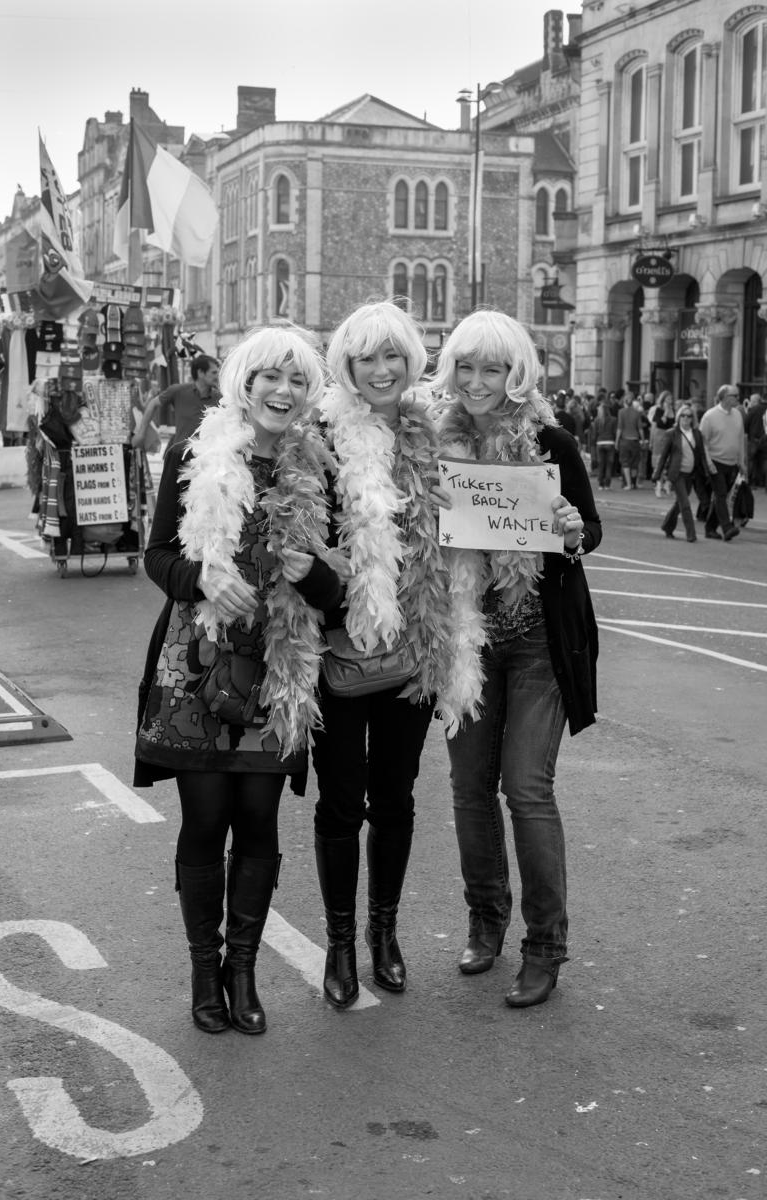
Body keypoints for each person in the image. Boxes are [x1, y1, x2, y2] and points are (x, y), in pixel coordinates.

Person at [134, 326, 344, 1036]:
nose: (282, 392)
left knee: (257, 820)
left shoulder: (320, 468)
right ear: (244, 384)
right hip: (198, 665)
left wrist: (309, 574)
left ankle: (243, 973)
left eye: (297, 381)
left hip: (280, 672)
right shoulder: (194, 451)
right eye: (269, 378)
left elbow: (343, 589)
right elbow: (157, 555)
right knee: (204, 819)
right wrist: (201, 580)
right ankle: (204, 973)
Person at [432, 309, 601, 1008]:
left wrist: (568, 531)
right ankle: (485, 919)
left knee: (525, 788)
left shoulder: (550, 441)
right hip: (466, 635)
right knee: (470, 788)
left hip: (536, 638)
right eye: (466, 367)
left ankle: (546, 944)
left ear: (516, 372)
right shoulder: (434, 443)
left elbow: (588, 530)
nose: (477, 381)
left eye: (492, 368)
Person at [311, 301, 451, 1009]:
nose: (384, 370)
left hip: (414, 646)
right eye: (369, 358)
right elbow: (294, 532)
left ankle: (383, 933)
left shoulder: (432, 433)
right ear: (347, 365)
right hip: (340, 649)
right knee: (341, 803)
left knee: (394, 798)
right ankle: (338, 943)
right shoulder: (322, 435)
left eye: (394, 356)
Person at [132, 354, 220, 451]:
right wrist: (141, 433)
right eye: (214, 373)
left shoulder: (220, 397)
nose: (217, 376)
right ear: (200, 373)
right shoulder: (178, 391)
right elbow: (153, 404)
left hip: (209, 457)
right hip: (180, 456)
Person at [653, 403, 709, 542]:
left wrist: (707, 471)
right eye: (683, 415)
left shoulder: (697, 434)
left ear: (692, 418)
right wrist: (657, 474)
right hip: (677, 474)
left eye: (689, 416)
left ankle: (667, 526)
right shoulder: (672, 433)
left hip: (691, 474)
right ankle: (691, 534)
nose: (685, 418)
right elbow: (664, 455)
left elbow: (701, 455)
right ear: (678, 417)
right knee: (685, 504)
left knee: (679, 503)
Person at [699, 384, 747, 540]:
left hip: (732, 463)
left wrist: (741, 461)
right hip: (715, 461)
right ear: (725, 398)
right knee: (720, 494)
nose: (738, 399)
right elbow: (703, 442)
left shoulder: (738, 415)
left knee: (723, 495)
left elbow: (740, 439)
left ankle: (710, 528)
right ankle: (727, 528)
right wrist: (708, 462)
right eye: (735, 396)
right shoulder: (709, 416)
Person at [615, 392, 644, 489]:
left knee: (625, 463)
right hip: (635, 440)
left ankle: (628, 484)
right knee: (635, 463)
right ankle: (634, 483)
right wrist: (643, 440)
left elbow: (619, 427)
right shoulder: (637, 413)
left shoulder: (621, 412)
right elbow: (640, 428)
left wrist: (616, 441)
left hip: (625, 440)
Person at [650, 390, 676, 496]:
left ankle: (666, 483)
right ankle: (658, 484)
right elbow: (660, 423)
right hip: (660, 436)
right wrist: (665, 411)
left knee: (670, 461)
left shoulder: (674, 410)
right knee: (659, 461)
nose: (670, 401)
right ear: (663, 399)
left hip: (670, 436)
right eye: (668, 399)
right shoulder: (659, 410)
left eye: (671, 399)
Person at [591, 397, 617, 489]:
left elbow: (594, 434)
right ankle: (607, 484)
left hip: (600, 443)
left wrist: (593, 444)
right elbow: (615, 433)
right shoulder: (613, 420)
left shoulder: (597, 420)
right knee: (609, 464)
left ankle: (600, 484)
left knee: (601, 464)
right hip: (610, 442)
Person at [744, 391, 767, 490]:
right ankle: (764, 482)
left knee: (751, 461)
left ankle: (751, 482)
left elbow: (746, 423)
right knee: (765, 461)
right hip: (765, 440)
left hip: (753, 439)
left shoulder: (753, 410)